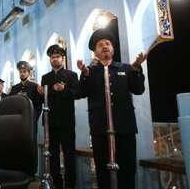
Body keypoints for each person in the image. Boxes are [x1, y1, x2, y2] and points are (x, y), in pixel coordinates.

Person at [76, 29, 146, 189]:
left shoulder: (127, 68)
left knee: (127, 169)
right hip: (100, 129)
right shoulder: (90, 71)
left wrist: (136, 71)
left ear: (113, 48)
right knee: (102, 171)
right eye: (100, 45)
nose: (104, 46)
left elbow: (138, 90)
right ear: (95, 52)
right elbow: (80, 93)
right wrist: (85, 76)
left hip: (125, 128)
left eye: (107, 43)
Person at [38, 45, 78, 189]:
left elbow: (77, 94)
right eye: (52, 57)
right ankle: (57, 183)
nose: (55, 59)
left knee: (69, 154)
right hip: (50, 122)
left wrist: (65, 89)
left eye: (57, 57)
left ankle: (70, 184)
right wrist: (41, 95)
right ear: (50, 59)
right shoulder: (45, 77)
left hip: (66, 121)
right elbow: (43, 101)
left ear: (62, 58)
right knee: (52, 155)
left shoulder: (71, 75)